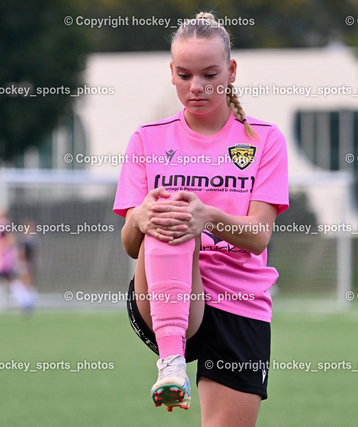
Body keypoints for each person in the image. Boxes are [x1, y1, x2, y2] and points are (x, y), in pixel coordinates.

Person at [113, 12, 289, 425]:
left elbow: (259, 236)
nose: (197, 87)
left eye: (209, 74)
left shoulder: (263, 139)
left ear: (230, 71)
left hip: (240, 302)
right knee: (165, 214)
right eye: (185, 74)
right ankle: (171, 362)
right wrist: (139, 216)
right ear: (171, 74)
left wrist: (205, 216)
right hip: (162, 295)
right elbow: (129, 243)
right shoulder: (147, 139)